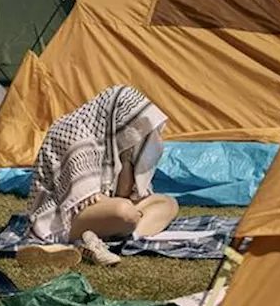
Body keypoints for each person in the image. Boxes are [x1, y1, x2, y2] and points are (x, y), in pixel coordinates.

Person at [18, 85, 179, 268]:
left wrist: (126, 157)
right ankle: (107, 235)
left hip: (100, 209)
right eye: (132, 127)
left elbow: (123, 192)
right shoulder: (75, 134)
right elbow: (83, 200)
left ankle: (107, 238)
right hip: (59, 216)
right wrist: (128, 210)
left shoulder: (112, 139)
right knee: (124, 212)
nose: (135, 134)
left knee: (168, 203)